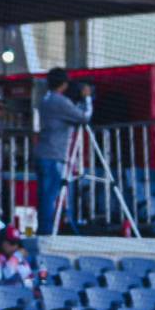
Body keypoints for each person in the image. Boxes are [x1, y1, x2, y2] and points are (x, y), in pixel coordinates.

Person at [36, 68, 92, 234]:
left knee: (44, 195)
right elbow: (85, 117)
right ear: (64, 84)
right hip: (53, 155)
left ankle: (44, 229)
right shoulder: (59, 101)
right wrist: (87, 97)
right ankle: (46, 231)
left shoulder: (45, 100)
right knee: (50, 196)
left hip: (43, 153)